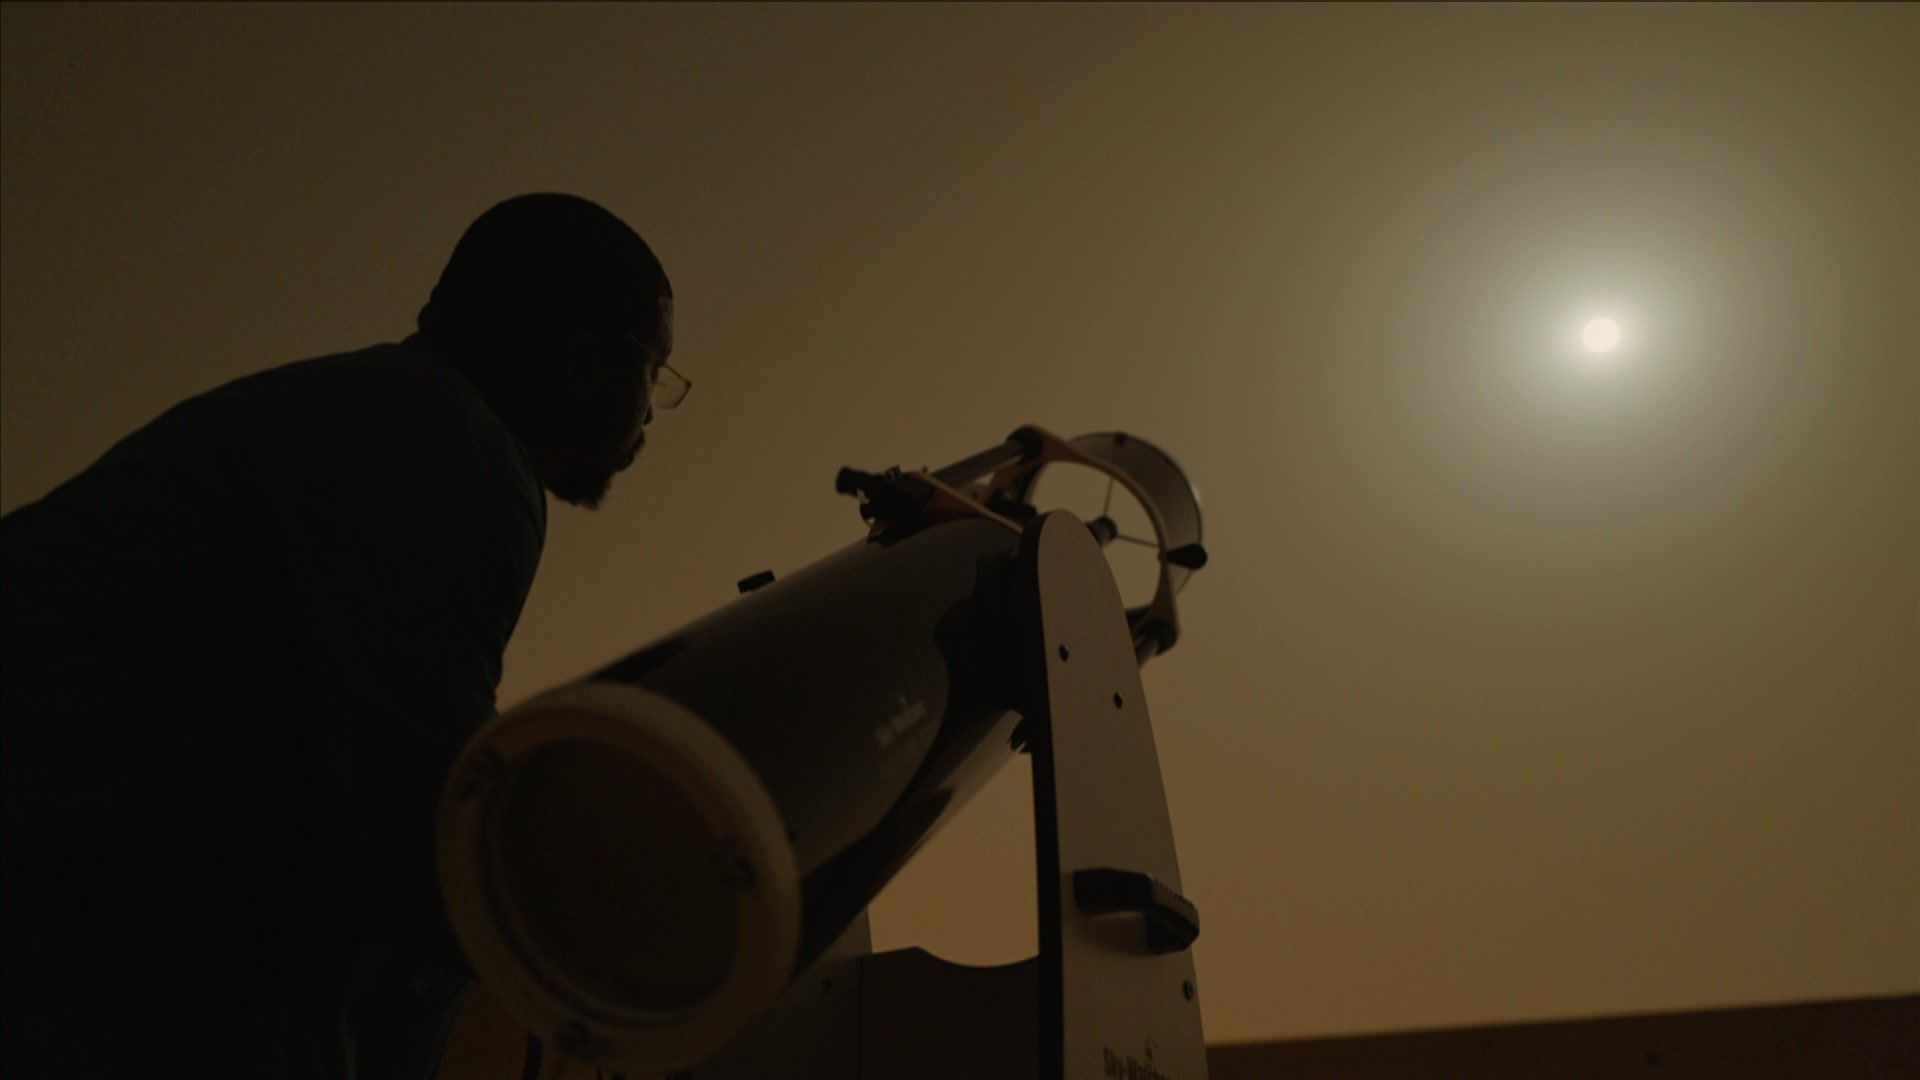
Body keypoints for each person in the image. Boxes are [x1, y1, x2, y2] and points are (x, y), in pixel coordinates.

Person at [0, 193, 683, 1078]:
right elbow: (415, 848)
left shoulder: (361, 411)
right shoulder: (451, 446)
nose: (652, 415)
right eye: (656, 374)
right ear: (588, 359)